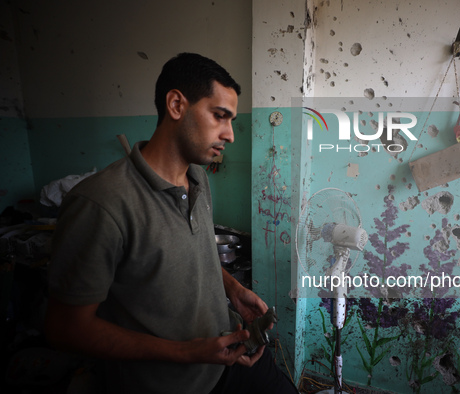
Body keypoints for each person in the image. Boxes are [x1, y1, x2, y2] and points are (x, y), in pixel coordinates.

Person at [45, 53, 298, 394]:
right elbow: (66, 328)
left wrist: (233, 290)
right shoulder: (100, 204)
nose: (230, 135)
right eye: (220, 116)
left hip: (230, 354)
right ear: (177, 105)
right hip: (171, 382)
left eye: (232, 120)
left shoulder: (198, 178)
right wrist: (187, 352)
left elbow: (194, 252)